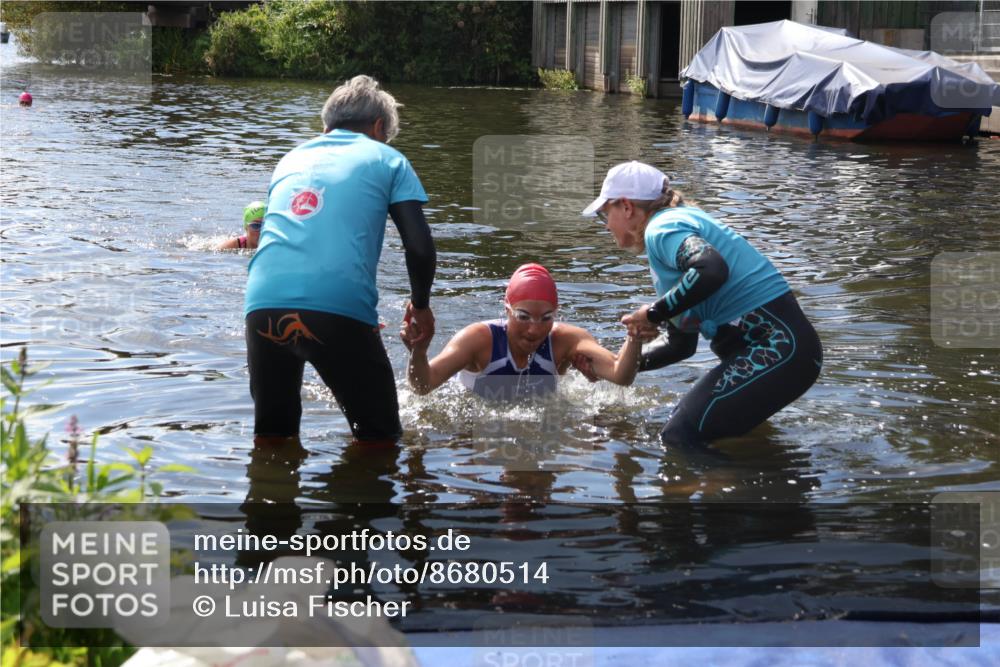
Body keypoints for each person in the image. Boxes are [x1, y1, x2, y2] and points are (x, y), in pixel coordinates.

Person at [244, 75, 436, 446]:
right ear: (379, 127)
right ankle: (364, 499)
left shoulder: (291, 157)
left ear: (326, 126)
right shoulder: (389, 159)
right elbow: (420, 247)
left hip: (262, 302)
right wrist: (421, 305)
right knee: (380, 439)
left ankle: (270, 498)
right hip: (337, 307)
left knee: (272, 437)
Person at [581, 161, 822, 446]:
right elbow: (681, 345)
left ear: (626, 207)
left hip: (779, 348)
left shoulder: (662, 227)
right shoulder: (676, 229)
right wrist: (614, 366)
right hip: (790, 353)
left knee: (677, 436)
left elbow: (711, 268)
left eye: (604, 214)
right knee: (727, 439)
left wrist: (655, 314)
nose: (606, 225)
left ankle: (714, 485)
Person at [400, 263, 645, 399]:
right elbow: (423, 387)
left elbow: (620, 375)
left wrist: (635, 336)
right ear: (507, 310)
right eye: (523, 316)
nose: (534, 329)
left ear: (556, 312)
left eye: (546, 317)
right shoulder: (477, 340)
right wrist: (419, 351)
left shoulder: (566, 340)